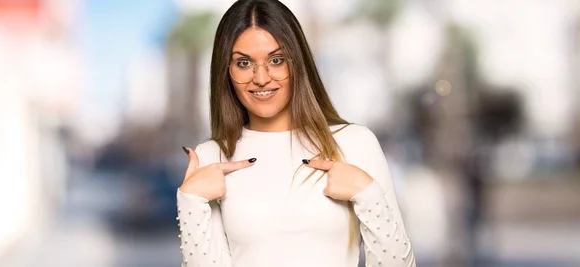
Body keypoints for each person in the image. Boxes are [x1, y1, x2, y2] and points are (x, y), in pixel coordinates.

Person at [176, 0, 416, 266]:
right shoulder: (212, 157)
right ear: (227, 71)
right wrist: (190, 202)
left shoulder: (355, 143)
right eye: (244, 63)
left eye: (276, 60)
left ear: (297, 62)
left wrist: (368, 194)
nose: (261, 78)